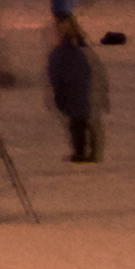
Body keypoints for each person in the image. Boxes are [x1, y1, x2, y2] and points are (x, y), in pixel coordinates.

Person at [47, 12, 107, 165]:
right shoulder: (70, 50)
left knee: (80, 120)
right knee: (80, 120)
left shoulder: (72, 50)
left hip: (77, 89)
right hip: (74, 88)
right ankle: (85, 151)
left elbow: (84, 70)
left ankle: (84, 152)